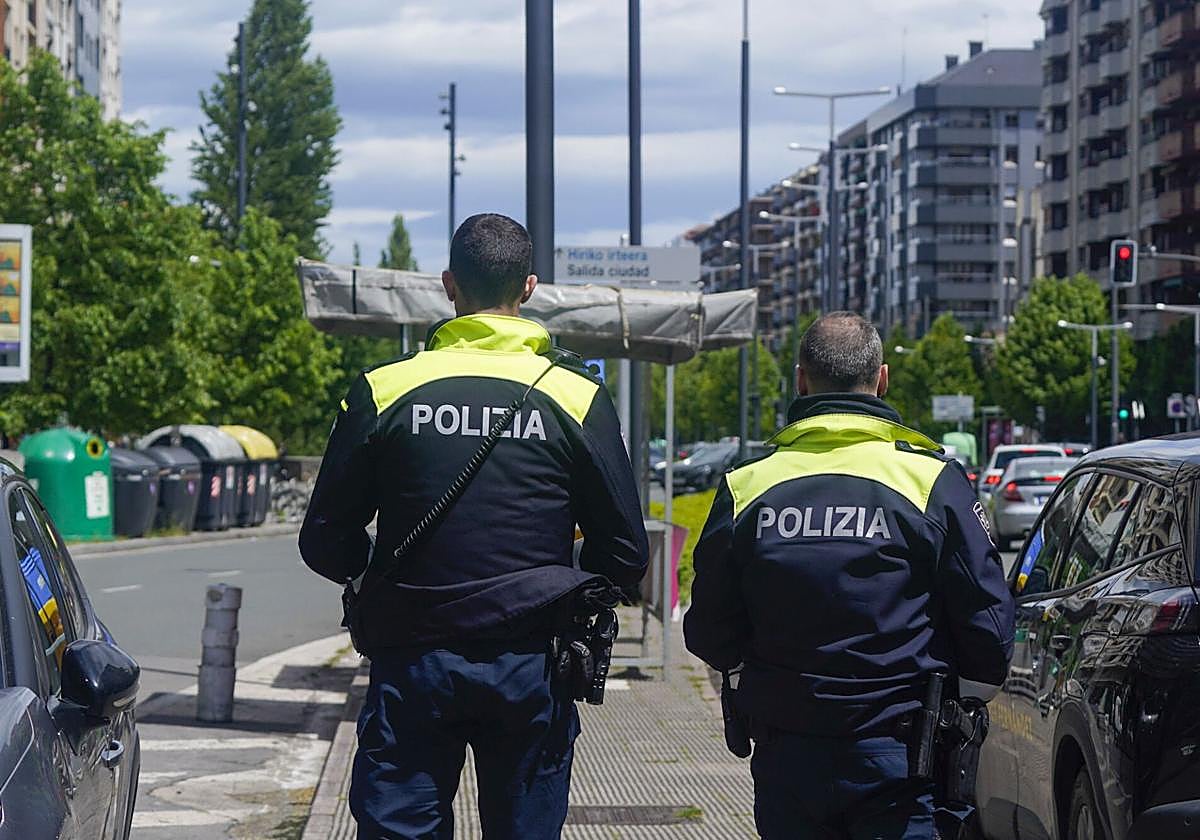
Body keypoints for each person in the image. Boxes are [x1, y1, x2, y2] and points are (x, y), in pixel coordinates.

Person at [300, 213, 649, 839]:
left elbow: (324, 537)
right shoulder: (576, 396)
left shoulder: (385, 390)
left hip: (411, 660)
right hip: (532, 662)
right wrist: (566, 591)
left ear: (448, 286)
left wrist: (369, 572)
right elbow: (624, 551)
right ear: (531, 288)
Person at [684, 311, 1014, 840]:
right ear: (882, 380)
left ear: (800, 379)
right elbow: (990, 632)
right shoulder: (931, 481)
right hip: (905, 759)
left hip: (786, 754)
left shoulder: (747, 485)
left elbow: (706, 630)